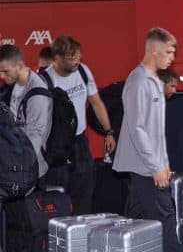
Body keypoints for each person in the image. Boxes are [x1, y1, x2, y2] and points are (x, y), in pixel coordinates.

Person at [112, 27, 183, 252]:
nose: (172, 57)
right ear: (154, 51)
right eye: (168, 52)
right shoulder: (138, 81)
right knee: (164, 217)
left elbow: (155, 132)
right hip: (145, 166)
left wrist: (163, 163)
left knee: (136, 219)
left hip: (150, 165)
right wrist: (156, 166)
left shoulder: (153, 80)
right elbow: (137, 128)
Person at [42, 36, 116, 215]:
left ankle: (81, 235)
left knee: (85, 190)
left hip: (80, 143)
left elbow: (96, 102)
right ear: (57, 58)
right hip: (56, 146)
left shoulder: (83, 71)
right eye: (71, 58)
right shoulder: (43, 80)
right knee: (58, 194)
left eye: (78, 57)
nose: (76, 62)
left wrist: (108, 131)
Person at [0, 45, 52, 184]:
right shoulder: (13, 84)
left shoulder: (37, 92)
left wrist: (19, 170)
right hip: (12, 164)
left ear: (19, 65)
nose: (2, 76)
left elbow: (35, 135)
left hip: (30, 170)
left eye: (5, 71)